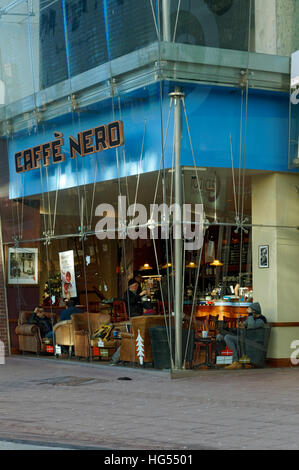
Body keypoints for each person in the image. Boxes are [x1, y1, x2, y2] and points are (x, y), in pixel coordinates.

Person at [216, 302, 267, 370]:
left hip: (251, 341)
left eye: (250, 311)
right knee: (220, 336)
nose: (249, 313)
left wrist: (250, 314)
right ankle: (224, 360)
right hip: (244, 337)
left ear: (254, 311)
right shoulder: (252, 318)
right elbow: (244, 324)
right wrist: (241, 325)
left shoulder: (261, 320)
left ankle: (236, 361)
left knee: (227, 337)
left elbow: (251, 326)